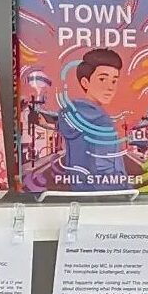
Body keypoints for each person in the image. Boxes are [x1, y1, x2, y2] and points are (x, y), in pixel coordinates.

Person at [38, 49, 129, 190]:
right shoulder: (102, 122)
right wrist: (125, 191)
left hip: (78, 191)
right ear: (85, 82)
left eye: (114, 80)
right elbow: (104, 169)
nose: (110, 87)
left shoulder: (69, 115)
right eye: (102, 79)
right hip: (106, 197)